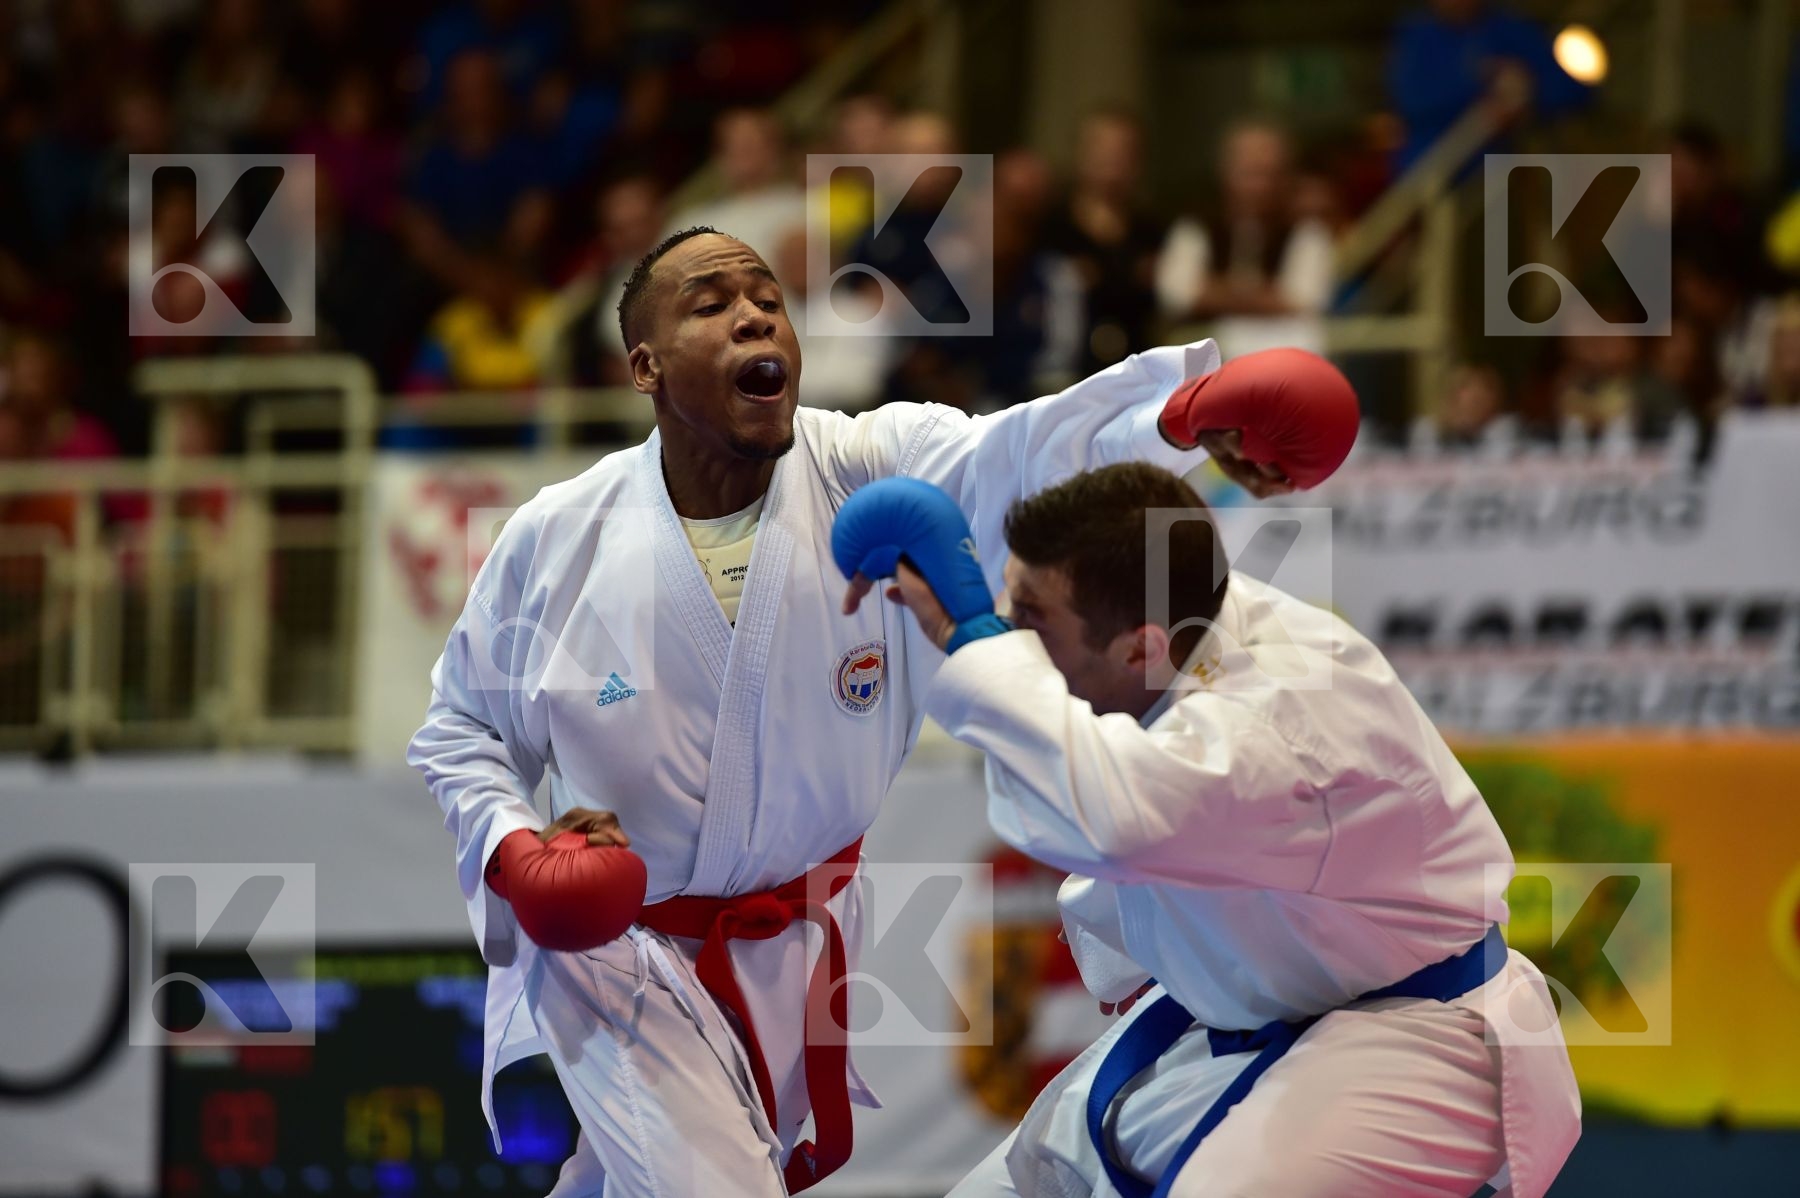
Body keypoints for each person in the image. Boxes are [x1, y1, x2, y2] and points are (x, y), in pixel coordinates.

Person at [407, 227, 1359, 1197]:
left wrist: (1181, 416)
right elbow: (458, 727)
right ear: (646, 366)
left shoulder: (869, 467)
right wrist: (512, 849)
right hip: (616, 949)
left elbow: (1019, 456)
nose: (754, 315)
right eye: (711, 304)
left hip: (801, 941)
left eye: (767, 299)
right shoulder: (558, 539)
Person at [834, 462, 1581, 1197]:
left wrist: (971, 643)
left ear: (1139, 648)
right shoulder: (1177, 605)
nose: (1007, 631)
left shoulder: (1276, 730)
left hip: (1418, 1040)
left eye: (1028, 618)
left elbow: (1113, 817)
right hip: (1265, 1014)